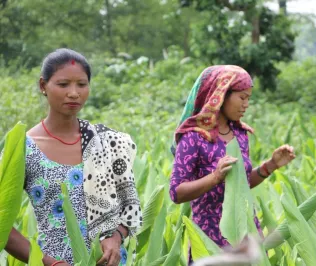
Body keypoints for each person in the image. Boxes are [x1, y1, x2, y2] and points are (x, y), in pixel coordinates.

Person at [4, 48, 142, 266]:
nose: (74, 93)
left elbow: (130, 205)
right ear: (43, 86)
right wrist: (51, 263)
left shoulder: (107, 142)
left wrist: (115, 238)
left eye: (81, 84)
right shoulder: (24, 148)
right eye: (63, 84)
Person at [169, 65, 296, 251]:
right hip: (210, 236)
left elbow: (240, 183)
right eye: (242, 98)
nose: (246, 104)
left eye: (248, 99)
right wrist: (215, 177)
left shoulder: (240, 133)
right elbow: (176, 192)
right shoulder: (193, 138)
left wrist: (271, 165)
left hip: (246, 231)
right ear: (221, 95)